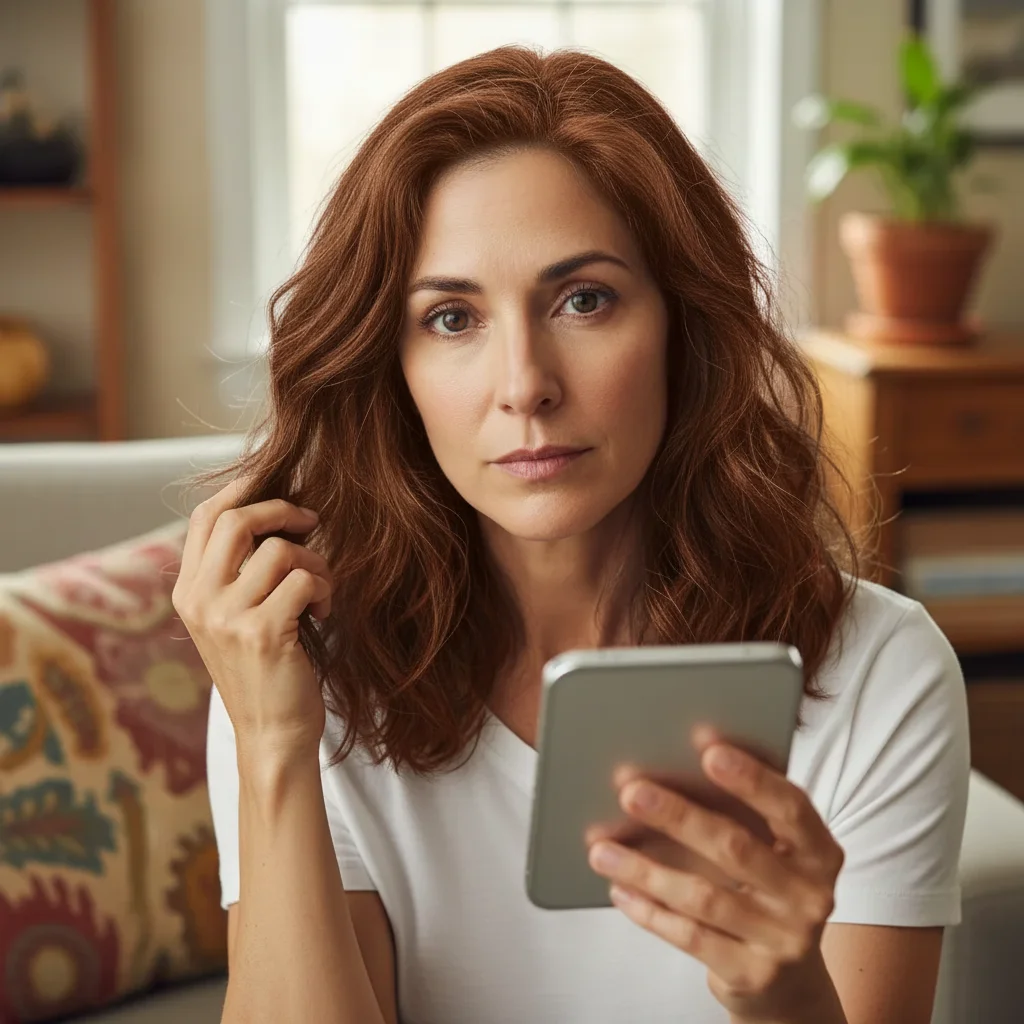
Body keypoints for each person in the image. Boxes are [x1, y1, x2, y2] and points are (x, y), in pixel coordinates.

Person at [173, 44, 970, 1024]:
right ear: (394, 366)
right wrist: (274, 744)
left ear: (685, 326)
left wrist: (782, 992)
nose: (524, 384)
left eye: (583, 299)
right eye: (453, 317)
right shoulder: (299, 672)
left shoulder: (878, 672)